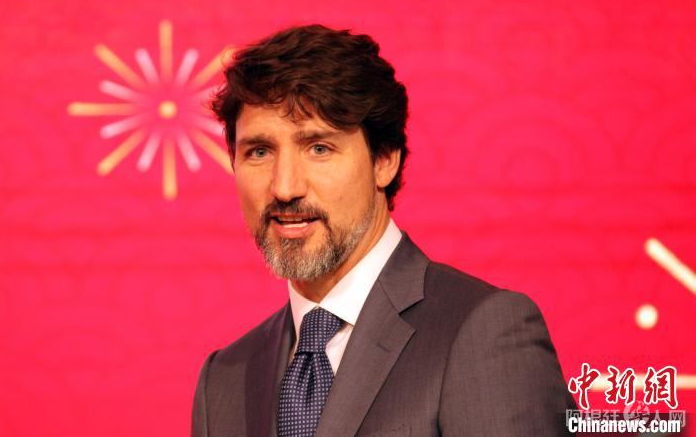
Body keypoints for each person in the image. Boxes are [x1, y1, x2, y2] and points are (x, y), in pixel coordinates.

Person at [191, 24, 575, 437]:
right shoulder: (224, 379)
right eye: (259, 152)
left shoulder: (483, 331)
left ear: (385, 160)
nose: (285, 187)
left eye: (319, 148)